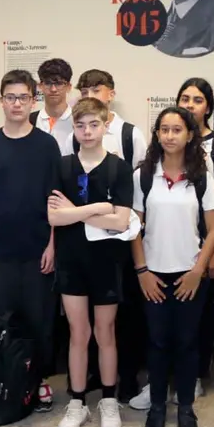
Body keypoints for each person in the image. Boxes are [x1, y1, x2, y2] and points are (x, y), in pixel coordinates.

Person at [125, 77, 214, 409]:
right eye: (164, 129)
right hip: (153, 275)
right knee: (157, 341)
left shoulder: (202, 175)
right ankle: (157, 407)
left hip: (191, 274)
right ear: (157, 134)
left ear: (190, 134)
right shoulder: (142, 175)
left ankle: (186, 409)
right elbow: (134, 228)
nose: (170, 135)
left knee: (188, 342)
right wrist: (142, 271)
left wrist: (198, 270)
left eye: (177, 130)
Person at [0, 70, 62, 409]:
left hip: (38, 251)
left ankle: (38, 382)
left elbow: (56, 199)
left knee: (39, 321)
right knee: (1, 321)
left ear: (33, 100)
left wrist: (53, 244)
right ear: (2, 101)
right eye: (11, 97)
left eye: (24, 97)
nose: (17, 103)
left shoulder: (46, 145)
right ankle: (6, 377)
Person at [47, 97, 134, 427]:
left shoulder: (119, 168)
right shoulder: (63, 166)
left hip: (107, 261)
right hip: (71, 261)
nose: (87, 131)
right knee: (78, 333)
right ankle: (77, 402)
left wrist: (76, 211)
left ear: (104, 126)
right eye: (81, 125)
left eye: (93, 125)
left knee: (105, 332)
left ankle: (109, 399)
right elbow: (55, 216)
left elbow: (122, 221)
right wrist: (99, 208)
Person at [75, 68, 148, 402]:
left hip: (122, 236)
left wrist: (115, 214)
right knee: (85, 318)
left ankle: (128, 376)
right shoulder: (77, 133)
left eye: (97, 88)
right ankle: (94, 374)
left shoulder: (131, 134)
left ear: (111, 93)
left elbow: (138, 188)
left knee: (124, 312)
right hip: (84, 240)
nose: (90, 93)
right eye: (84, 88)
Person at [74, 69, 148, 166]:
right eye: (84, 92)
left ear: (111, 95)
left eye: (96, 91)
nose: (89, 96)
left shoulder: (131, 135)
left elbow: (141, 175)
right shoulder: (74, 136)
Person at [30, 58, 75, 155]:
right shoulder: (29, 121)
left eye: (59, 83)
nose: (53, 89)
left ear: (69, 87)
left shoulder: (78, 121)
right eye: (48, 83)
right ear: (40, 86)